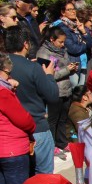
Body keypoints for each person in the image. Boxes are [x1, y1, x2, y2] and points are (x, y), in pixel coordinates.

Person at [6, 26, 60, 175]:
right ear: (25, 44)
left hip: (9, 133)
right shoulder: (33, 68)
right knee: (43, 179)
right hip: (37, 129)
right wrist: (49, 75)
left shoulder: (5, 66)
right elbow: (52, 96)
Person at [0, 53, 36, 184]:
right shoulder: (2, 93)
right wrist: (32, 125)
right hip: (11, 149)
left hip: (3, 149)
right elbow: (22, 119)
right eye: (8, 75)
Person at [36, 25, 76, 154]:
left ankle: (62, 142)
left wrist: (71, 68)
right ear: (52, 39)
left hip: (66, 89)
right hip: (55, 90)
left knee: (62, 118)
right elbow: (49, 74)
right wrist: (67, 70)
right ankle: (52, 144)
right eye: (60, 42)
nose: (63, 44)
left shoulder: (63, 50)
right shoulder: (44, 52)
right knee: (52, 119)